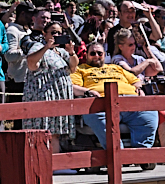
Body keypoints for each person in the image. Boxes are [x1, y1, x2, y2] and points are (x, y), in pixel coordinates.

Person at [74, 40, 157, 166]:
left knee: (149, 113)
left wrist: (138, 89)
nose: (96, 56)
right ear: (86, 55)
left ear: (104, 54)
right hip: (102, 103)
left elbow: (135, 81)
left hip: (129, 100)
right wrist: (87, 92)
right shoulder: (80, 69)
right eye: (93, 53)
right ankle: (119, 156)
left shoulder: (116, 68)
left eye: (99, 53)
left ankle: (141, 154)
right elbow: (73, 86)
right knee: (101, 120)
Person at [18, 18, 76, 149]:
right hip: (43, 96)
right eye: (53, 32)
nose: (56, 36)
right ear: (45, 34)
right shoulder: (37, 46)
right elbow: (31, 63)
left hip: (58, 97)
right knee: (44, 132)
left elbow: (73, 67)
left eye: (59, 33)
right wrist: (46, 47)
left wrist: (71, 52)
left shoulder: (61, 52)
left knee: (55, 133)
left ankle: (55, 164)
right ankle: (47, 165)